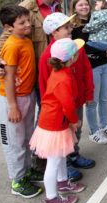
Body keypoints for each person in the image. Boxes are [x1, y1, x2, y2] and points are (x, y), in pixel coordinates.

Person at [0, 0, 82, 181]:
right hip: (42, 80)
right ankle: (44, 166)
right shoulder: (24, 11)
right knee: (49, 123)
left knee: (58, 120)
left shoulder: (57, 6)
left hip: (58, 74)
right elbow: (3, 41)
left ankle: (63, 160)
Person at [30, 38, 87, 203]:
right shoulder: (63, 78)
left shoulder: (61, 71)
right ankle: (52, 199)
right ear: (72, 58)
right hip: (54, 123)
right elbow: (67, 104)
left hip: (55, 121)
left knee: (61, 155)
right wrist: (73, 120)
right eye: (76, 52)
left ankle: (63, 183)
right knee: (53, 162)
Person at [0, 5, 42, 198]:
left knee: (27, 137)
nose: (28, 24)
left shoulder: (25, 40)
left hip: (26, 95)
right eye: (21, 23)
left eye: (28, 20)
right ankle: (17, 180)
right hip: (11, 99)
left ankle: (27, 171)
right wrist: (12, 107)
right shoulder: (12, 45)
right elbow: (8, 78)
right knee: (13, 141)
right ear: (8, 28)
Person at [39, 12, 95, 174]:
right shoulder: (47, 56)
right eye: (65, 27)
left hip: (76, 101)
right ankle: (65, 164)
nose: (70, 28)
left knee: (76, 128)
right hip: (60, 108)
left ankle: (74, 155)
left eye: (70, 25)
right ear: (54, 33)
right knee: (62, 134)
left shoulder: (76, 47)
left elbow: (86, 70)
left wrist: (89, 93)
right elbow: (44, 84)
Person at [70, 0, 107, 145]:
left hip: (105, 64)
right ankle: (93, 131)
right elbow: (81, 47)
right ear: (74, 8)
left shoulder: (98, 18)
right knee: (92, 101)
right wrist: (103, 52)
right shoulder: (73, 26)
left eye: (86, 4)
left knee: (104, 98)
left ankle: (104, 125)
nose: (84, 7)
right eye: (80, 5)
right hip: (90, 67)